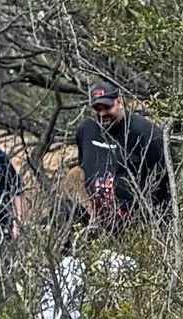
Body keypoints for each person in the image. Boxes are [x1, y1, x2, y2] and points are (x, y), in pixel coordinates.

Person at [73, 83, 172, 229]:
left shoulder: (146, 133)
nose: (102, 114)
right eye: (97, 109)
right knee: (65, 210)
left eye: (107, 107)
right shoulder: (85, 131)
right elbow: (84, 164)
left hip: (139, 223)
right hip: (100, 220)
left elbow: (167, 181)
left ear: (119, 102)